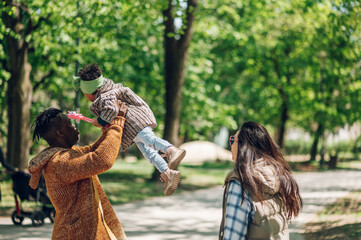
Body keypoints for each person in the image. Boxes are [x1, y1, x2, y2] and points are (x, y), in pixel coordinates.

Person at [72, 63, 186, 196]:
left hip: (135, 122)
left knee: (151, 140)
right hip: (132, 130)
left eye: (84, 93)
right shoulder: (106, 95)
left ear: (91, 91)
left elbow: (112, 110)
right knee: (149, 153)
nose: (85, 96)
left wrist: (100, 120)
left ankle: (171, 150)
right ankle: (167, 173)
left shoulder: (106, 95)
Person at [29, 106, 128, 240]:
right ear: (60, 133)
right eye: (69, 125)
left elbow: (92, 150)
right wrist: (117, 125)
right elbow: (101, 160)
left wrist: (107, 132)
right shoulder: (59, 162)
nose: (75, 126)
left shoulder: (67, 153)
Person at [219, 121, 302, 240]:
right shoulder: (277, 175)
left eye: (233, 140)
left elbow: (233, 236)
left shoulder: (241, 182)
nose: (230, 144)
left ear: (243, 146)